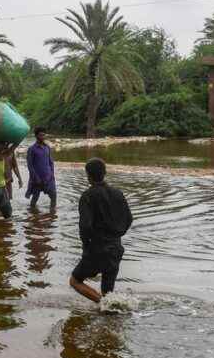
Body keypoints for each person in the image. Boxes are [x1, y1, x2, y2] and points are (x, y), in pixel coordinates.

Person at [70, 158, 133, 303]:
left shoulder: (87, 196)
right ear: (104, 173)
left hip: (97, 248)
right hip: (116, 248)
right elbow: (129, 219)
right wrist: (116, 235)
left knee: (75, 281)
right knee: (108, 292)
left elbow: (85, 226)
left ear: (88, 175)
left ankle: (105, 306)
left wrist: (86, 246)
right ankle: (109, 312)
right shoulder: (118, 193)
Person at [25, 127, 56, 209]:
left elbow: (51, 162)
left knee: (53, 196)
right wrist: (35, 177)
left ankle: (52, 213)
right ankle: (33, 214)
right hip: (37, 179)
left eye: (44, 135)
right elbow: (30, 165)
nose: (42, 137)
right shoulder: (32, 149)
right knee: (35, 198)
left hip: (48, 178)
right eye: (40, 135)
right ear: (36, 136)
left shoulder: (47, 148)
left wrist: (52, 174)